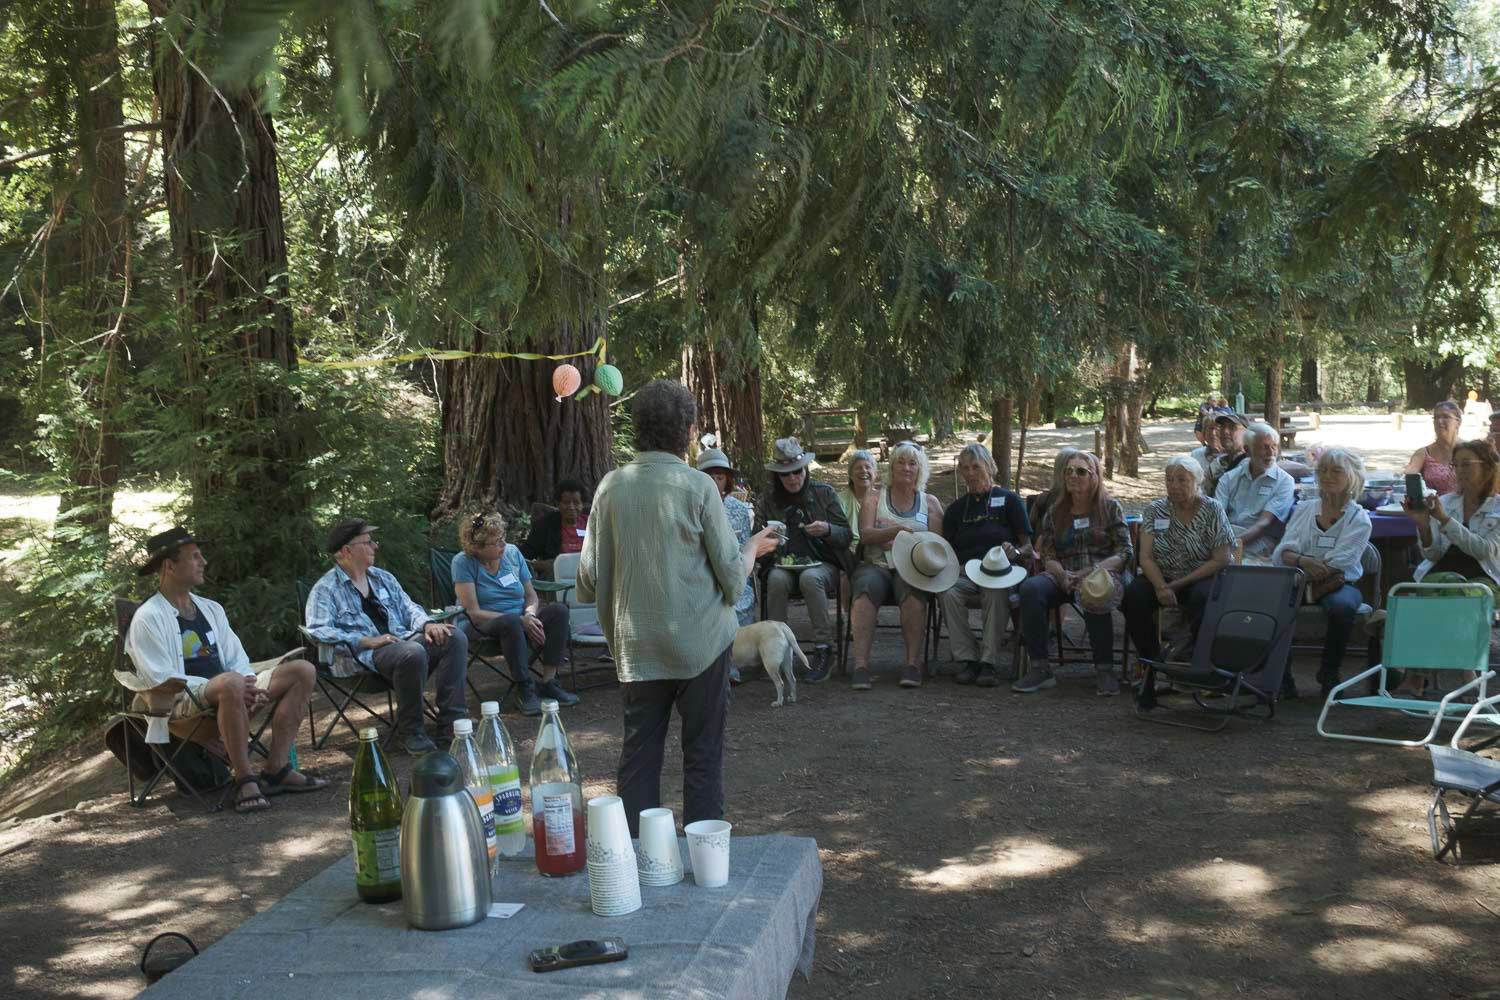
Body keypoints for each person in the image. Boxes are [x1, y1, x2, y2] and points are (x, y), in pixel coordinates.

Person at [577, 379, 779, 837]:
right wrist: (751, 548)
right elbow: (733, 581)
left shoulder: (610, 488)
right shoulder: (699, 487)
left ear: (638, 429)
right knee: (703, 757)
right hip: (701, 647)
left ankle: (633, 860)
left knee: (639, 755)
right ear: (688, 431)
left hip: (636, 648)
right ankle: (704, 864)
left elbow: (587, 582)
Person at [124, 527, 325, 814]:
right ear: (169, 565)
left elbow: (235, 657)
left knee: (303, 670)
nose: (203, 562)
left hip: (232, 691)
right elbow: (160, 679)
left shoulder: (211, 609)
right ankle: (245, 779)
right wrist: (231, 685)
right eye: (195, 557)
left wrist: (248, 683)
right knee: (230, 682)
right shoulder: (148, 618)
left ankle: (277, 769)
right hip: (182, 705)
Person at [306, 517, 469, 754]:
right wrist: (366, 641)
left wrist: (427, 625)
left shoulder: (383, 578)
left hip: (402, 643)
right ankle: (411, 731)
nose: (375, 546)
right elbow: (318, 631)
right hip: (361, 657)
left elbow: (409, 608)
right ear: (347, 550)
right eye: (368, 542)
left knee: (453, 637)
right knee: (412, 652)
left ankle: (452, 725)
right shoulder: (325, 589)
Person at [1016, 450, 1132, 696]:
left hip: (1102, 572)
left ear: (1095, 477)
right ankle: (1040, 668)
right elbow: (1048, 555)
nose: (1073, 476)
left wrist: (1093, 571)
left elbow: (1124, 552)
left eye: (1081, 471)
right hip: (1064, 574)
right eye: (1068, 471)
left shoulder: (1110, 508)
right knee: (1031, 589)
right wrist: (1062, 576)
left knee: (1094, 591)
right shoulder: (1055, 511)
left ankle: (1104, 669)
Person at [453, 512, 577, 717]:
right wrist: (520, 620)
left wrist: (530, 616)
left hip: (519, 619)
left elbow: (531, 595)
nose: (503, 545)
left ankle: (548, 682)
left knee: (558, 611)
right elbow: (473, 613)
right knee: (510, 621)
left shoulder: (512, 553)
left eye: (503, 538)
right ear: (476, 547)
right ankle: (524, 688)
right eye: (496, 542)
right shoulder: (463, 562)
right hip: (481, 626)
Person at [1272, 448, 1373, 698]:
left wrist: (1302, 561)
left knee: (1342, 607)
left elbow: (1342, 560)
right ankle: (1281, 676)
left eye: (1336, 471)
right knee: (1274, 604)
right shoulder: (1305, 508)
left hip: (1339, 582)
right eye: (1323, 470)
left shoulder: (1359, 518)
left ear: (1352, 476)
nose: (1327, 476)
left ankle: (1329, 672)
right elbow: (1283, 551)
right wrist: (1304, 561)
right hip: (1299, 578)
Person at [758, 437, 854, 682]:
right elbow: (755, 541)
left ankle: (824, 649)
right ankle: (777, 649)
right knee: (776, 579)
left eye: (797, 471)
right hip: (783, 564)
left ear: (805, 469)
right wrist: (769, 540)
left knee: (810, 578)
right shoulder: (768, 500)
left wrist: (828, 529)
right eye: (785, 474)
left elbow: (846, 536)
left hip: (822, 563)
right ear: (777, 476)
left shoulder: (824, 493)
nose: (792, 478)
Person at [851, 440, 945, 690]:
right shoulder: (874, 497)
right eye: (900, 462)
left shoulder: (930, 502)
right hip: (877, 564)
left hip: (914, 568)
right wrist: (895, 531)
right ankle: (860, 666)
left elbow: (938, 546)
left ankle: (912, 665)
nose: (906, 468)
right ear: (891, 467)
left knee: (914, 594)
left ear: (920, 469)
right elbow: (865, 535)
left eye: (912, 463)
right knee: (864, 591)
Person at [1122, 457, 1234, 664]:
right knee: (1133, 597)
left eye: (1182, 480)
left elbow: (1221, 559)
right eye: (1169, 480)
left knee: (1204, 598)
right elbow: (1145, 557)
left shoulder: (1212, 509)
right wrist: (1161, 586)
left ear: (1197, 481)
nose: (1174, 486)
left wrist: (1178, 584)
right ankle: (1152, 661)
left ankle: (1199, 659)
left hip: (1201, 575)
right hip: (1162, 575)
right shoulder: (1155, 510)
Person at [939, 442, 1032, 686]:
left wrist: (1014, 552)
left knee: (995, 591)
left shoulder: (1010, 500)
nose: (970, 473)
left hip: (1000, 573)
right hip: (966, 573)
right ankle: (968, 658)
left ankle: (988, 662)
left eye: (976, 467)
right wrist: (956, 567)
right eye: (965, 468)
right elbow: (947, 552)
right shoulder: (956, 510)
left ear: (990, 467)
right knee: (947, 592)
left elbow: (1029, 548)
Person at [1407, 439, 1500, 602]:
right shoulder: (1445, 502)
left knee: (1456, 594)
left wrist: (1445, 520)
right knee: (1447, 588)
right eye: (1455, 465)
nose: (1459, 470)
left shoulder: (1497, 508)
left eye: (1466, 464)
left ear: (1486, 467)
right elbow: (1432, 555)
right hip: (1441, 577)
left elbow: (1484, 551)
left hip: (1486, 580)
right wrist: (1423, 525)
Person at [696, 443, 757, 683]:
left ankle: (731, 665)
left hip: (732, 573)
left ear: (728, 481)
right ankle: (707, 666)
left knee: (739, 598)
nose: (714, 482)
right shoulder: (689, 507)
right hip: (700, 575)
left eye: (719, 477)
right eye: (709, 477)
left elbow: (744, 549)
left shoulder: (739, 509)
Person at [1215, 421, 1294, 560]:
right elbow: (1216, 517)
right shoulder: (1229, 478)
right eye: (1264, 447)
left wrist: (1232, 544)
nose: (1271, 453)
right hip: (1225, 536)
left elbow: (1263, 524)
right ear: (1247, 450)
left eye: (1274, 446)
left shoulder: (1284, 481)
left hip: (1258, 540)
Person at [836, 450, 878, 615]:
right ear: (850, 474)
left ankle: (867, 613)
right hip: (848, 549)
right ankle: (851, 616)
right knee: (845, 573)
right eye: (858, 468)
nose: (863, 471)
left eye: (868, 467)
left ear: (875, 472)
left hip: (875, 548)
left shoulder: (882, 499)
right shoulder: (839, 500)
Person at [520, 479, 589, 578]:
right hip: (557, 576)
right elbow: (525, 555)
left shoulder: (591, 524)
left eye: (576, 502)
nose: (571, 507)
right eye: (566, 502)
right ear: (558, 504)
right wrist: (540, 565)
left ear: (582, 504)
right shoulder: (546, 525)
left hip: (586, 575)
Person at [1404, 401, 1462, 496]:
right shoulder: (1423, 453)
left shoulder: (1470, 450)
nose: (1439, 421)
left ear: (1458, 422)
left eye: (1445, 417)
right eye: (1436, 417)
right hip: (1433, 504)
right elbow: (1409, 479)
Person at [1027, 446, 1081, 532]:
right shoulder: (1044, 499)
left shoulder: (1086, 498)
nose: (1074, 475)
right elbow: (1030, 528)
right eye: (1070, 470)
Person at [1203, 410, 1248, 495]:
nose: (1225, 431)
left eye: (1232, 427)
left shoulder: (1253, 465)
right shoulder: (1216, 466)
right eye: (1223, 427)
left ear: (1247, 433)